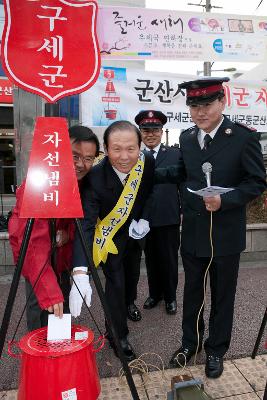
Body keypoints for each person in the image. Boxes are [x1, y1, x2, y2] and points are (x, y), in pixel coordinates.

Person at [155, 77, 267, 378]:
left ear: (222, 102)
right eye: (193, 106)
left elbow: (257, 182)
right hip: (193, 231)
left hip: (226, 235)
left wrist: (226, 200)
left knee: (221, 295)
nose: (200, 112)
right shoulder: (189, 138)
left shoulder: (243, 138)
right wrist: (146, 171)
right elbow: (182, 171)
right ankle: (190, 344)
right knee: (192, 292)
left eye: (206, 105)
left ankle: (216, 349)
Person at [71, 120, 154, 361]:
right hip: (110, 239)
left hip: (136, 234)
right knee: (115, 283)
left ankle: (129, 304)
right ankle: (117, 335)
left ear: (140, 147)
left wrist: (145, 218)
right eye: (116, 149)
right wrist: (79, 271)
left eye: (131, 149)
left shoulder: (147, 163)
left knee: (133, 277)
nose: (125, 156)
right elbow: (86, 224)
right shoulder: (95, 178)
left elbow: (148, 192)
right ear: (106, 150)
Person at [8, 125, 99, 331]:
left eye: (88, 158)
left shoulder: (85, 185)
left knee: (63, 305)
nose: (80, 164)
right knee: (43, 306)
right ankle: (40, 359)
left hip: (63, 260)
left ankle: (61, 353)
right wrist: (49, 292)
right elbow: (30, 241)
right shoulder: (37, 182)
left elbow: (87, 225)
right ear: (60, 152)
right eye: (74, 156)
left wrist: (69, 235)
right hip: (37, 262)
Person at [135, 110, 181, 315]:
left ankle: (171, 297)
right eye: (146, 130)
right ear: (141, 132)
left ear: (162, 132)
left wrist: (183, 211)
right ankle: (155, 294)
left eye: (155, 130)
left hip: (169, 216)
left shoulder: (175, 154)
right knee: (151, 259)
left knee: (169, 260)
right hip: (144, 219)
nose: (150, 134)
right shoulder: (135, 155)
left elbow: (182, 184)